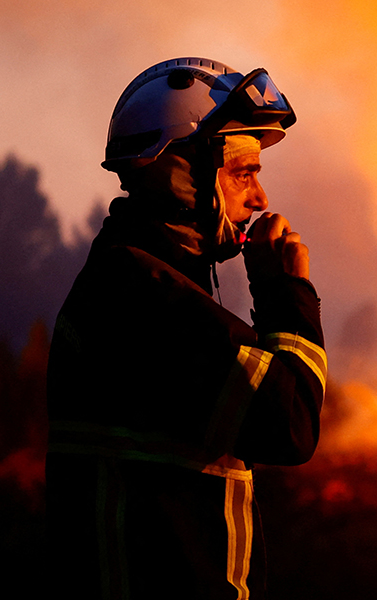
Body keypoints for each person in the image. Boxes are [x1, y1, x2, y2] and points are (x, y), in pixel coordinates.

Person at [46, 57, 326, 599]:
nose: (259, 199)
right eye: (242, 174)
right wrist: (284, 294)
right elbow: (290, 424)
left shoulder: (141, 282)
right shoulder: (144, 300)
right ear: (177, 174)